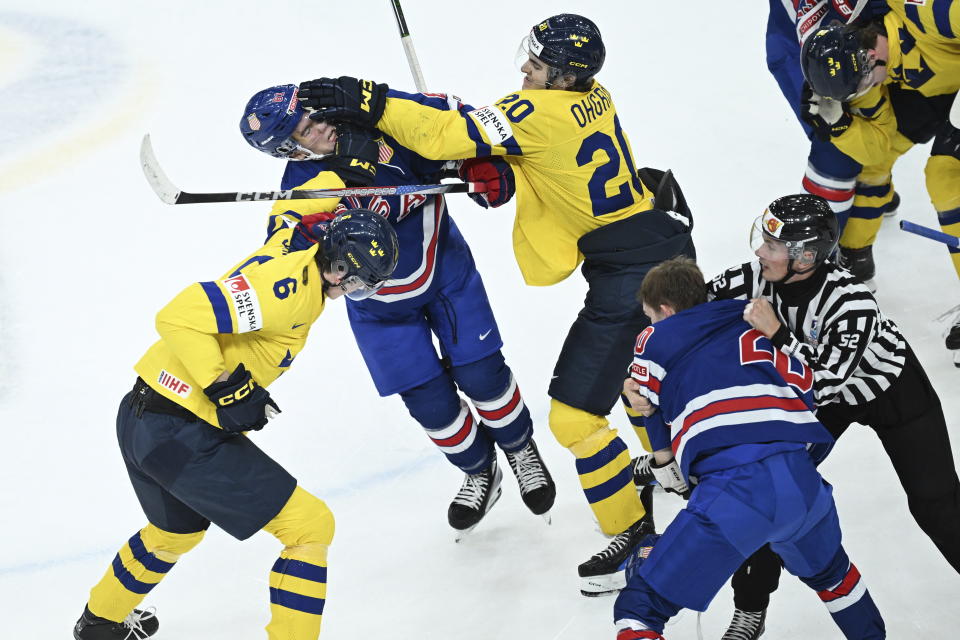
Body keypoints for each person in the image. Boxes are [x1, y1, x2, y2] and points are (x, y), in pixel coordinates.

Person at [291, 13, 697, 595]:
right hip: (660, 244)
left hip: (631, 275)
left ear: (559, 77)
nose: (524, 72)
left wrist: (370, 100)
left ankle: (640, 545)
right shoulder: (593, 95)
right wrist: (494, 164)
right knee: (644, 374)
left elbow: (440, 136)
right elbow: (516, 152)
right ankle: (668, 464)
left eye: (535, 67)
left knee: (575, 419)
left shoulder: (533, 111)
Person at [239, 84, 555, 538]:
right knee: (431, 406)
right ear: (290, 147)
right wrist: (313, 242)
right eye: (306, 131)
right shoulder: (304, 186)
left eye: (312, 116)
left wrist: (480, 162)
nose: (321, 127)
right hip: (379, 308)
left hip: (446, 274)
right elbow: (285, 239)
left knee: (484, 376)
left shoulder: (377, 122)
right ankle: (479, 470)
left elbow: (449, 119)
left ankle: (521, 448)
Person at [71, 209, 399, 640]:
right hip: (179, 432)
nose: (357, 289)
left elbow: (290, 209)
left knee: (175, 532)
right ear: (338, 267)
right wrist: (224, 387)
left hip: (143, 417)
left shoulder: (294, 243)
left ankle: (99, 623)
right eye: (357, 279)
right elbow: (178, 316)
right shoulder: (287, 293)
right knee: (309, 526)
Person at [707, 194, 960, 639]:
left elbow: (823, 382)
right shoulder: (753, 278)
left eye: (772, 246)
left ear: (805, 256)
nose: (759, 252)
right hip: (827, 396)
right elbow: (689, 305)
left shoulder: (851, 300)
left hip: (890, 391)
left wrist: (777, 333)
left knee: (937, 506)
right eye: (762, 240)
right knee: (768, 488)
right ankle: (750, 608)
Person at [614, 255, 885, 640]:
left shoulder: (656, 336)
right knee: (835, 578)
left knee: (638, 609)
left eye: (650, 315)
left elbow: (647, 403)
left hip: (734, 492)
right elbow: (807, 391)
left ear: (666, 310)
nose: (649, 324)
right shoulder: (752, 323)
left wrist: (663, 458)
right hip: (803, 484)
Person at [798, 6, 960, 359]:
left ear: (871, 56)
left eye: (864, 84)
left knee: (946, 178)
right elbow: (877, 147)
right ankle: (855, 258)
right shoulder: (863, 65)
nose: (868, 91)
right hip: (935, 94)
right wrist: (842, 126)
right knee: (874, 171)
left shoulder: (930, 14)